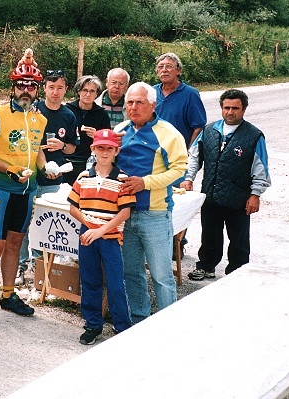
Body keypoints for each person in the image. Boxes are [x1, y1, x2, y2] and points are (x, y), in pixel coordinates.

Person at [0, 63, 48, 331]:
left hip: (26, 191)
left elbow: (36, 150)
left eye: (31, 86)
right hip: (0, 189)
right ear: (12, 87)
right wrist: (9, 169)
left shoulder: (40, 119)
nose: (26, 90)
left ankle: (8, 294)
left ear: (38, 91)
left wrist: (46, 168)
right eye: (21, 85)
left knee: (15, 244)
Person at [115, 82, 188, 323]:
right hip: (125, 214)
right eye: (130, 103)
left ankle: (168, 324)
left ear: (153, 105)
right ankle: (139, 319)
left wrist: (145, 183)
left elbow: (180, 170)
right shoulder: (121, 129)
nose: (133, 108)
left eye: (139, 103)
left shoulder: (169, 133)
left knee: (161, 275)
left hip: (155, 214)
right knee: (131, 272)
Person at [182, 89, 270, 280]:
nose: (230, 112)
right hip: (211, 194)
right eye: (226, 107)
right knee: (209, 235)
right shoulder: (209, 130)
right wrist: (189, 178)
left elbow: (260, 168)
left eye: (235, 108)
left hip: (238, 198)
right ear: (221, 108)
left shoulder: (254, 136)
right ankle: (206, 266)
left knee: (238, 239)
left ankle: (237, 273)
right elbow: (194, 157)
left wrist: (255, 194)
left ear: (244, 109)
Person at [68, 129, 135, 344]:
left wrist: (100, 230)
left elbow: (125, 212)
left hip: (110, 238)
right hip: (87, 235)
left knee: (115, 283)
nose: (104, 152)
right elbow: (73, 207)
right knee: (89, 280)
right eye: (100, 148)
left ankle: (122, 325)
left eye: (109, 148)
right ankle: (93, 324)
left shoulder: (122, 179)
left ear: (116, 151)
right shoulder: (83, 177)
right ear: (92, 149)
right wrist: (90, 226)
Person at [16, 69, 79, 284]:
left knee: (48, 224)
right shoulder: (34, 110)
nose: (55, 92)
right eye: (51, 87)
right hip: (31, 177)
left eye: (60, 88)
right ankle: (21, 265)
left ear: (66, 90)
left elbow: (73, 148)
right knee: (23, 223)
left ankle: (41, 265)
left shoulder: (69, 115)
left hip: (55, 178)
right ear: (43, 88)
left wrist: (62, 145)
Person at [153, 53, 207, 259]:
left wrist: (186, 151)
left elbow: (198, 126)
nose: (164, 69)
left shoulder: (190, 94)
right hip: (152, 158)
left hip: (177, 159)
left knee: (176, 201)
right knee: (155, 199)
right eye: (161, 66)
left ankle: (178, 243)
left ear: (178, 70)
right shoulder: (152, 92)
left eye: (169, 66)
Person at [65, 74, 112, 186]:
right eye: (84, 90)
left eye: (92, 91)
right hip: (66, 160)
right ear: (78, 91)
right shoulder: (67, 110)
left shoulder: (102, 114)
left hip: (89, 162)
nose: (88, 94)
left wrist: (97, 136)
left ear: (97, 94)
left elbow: (108, 141)